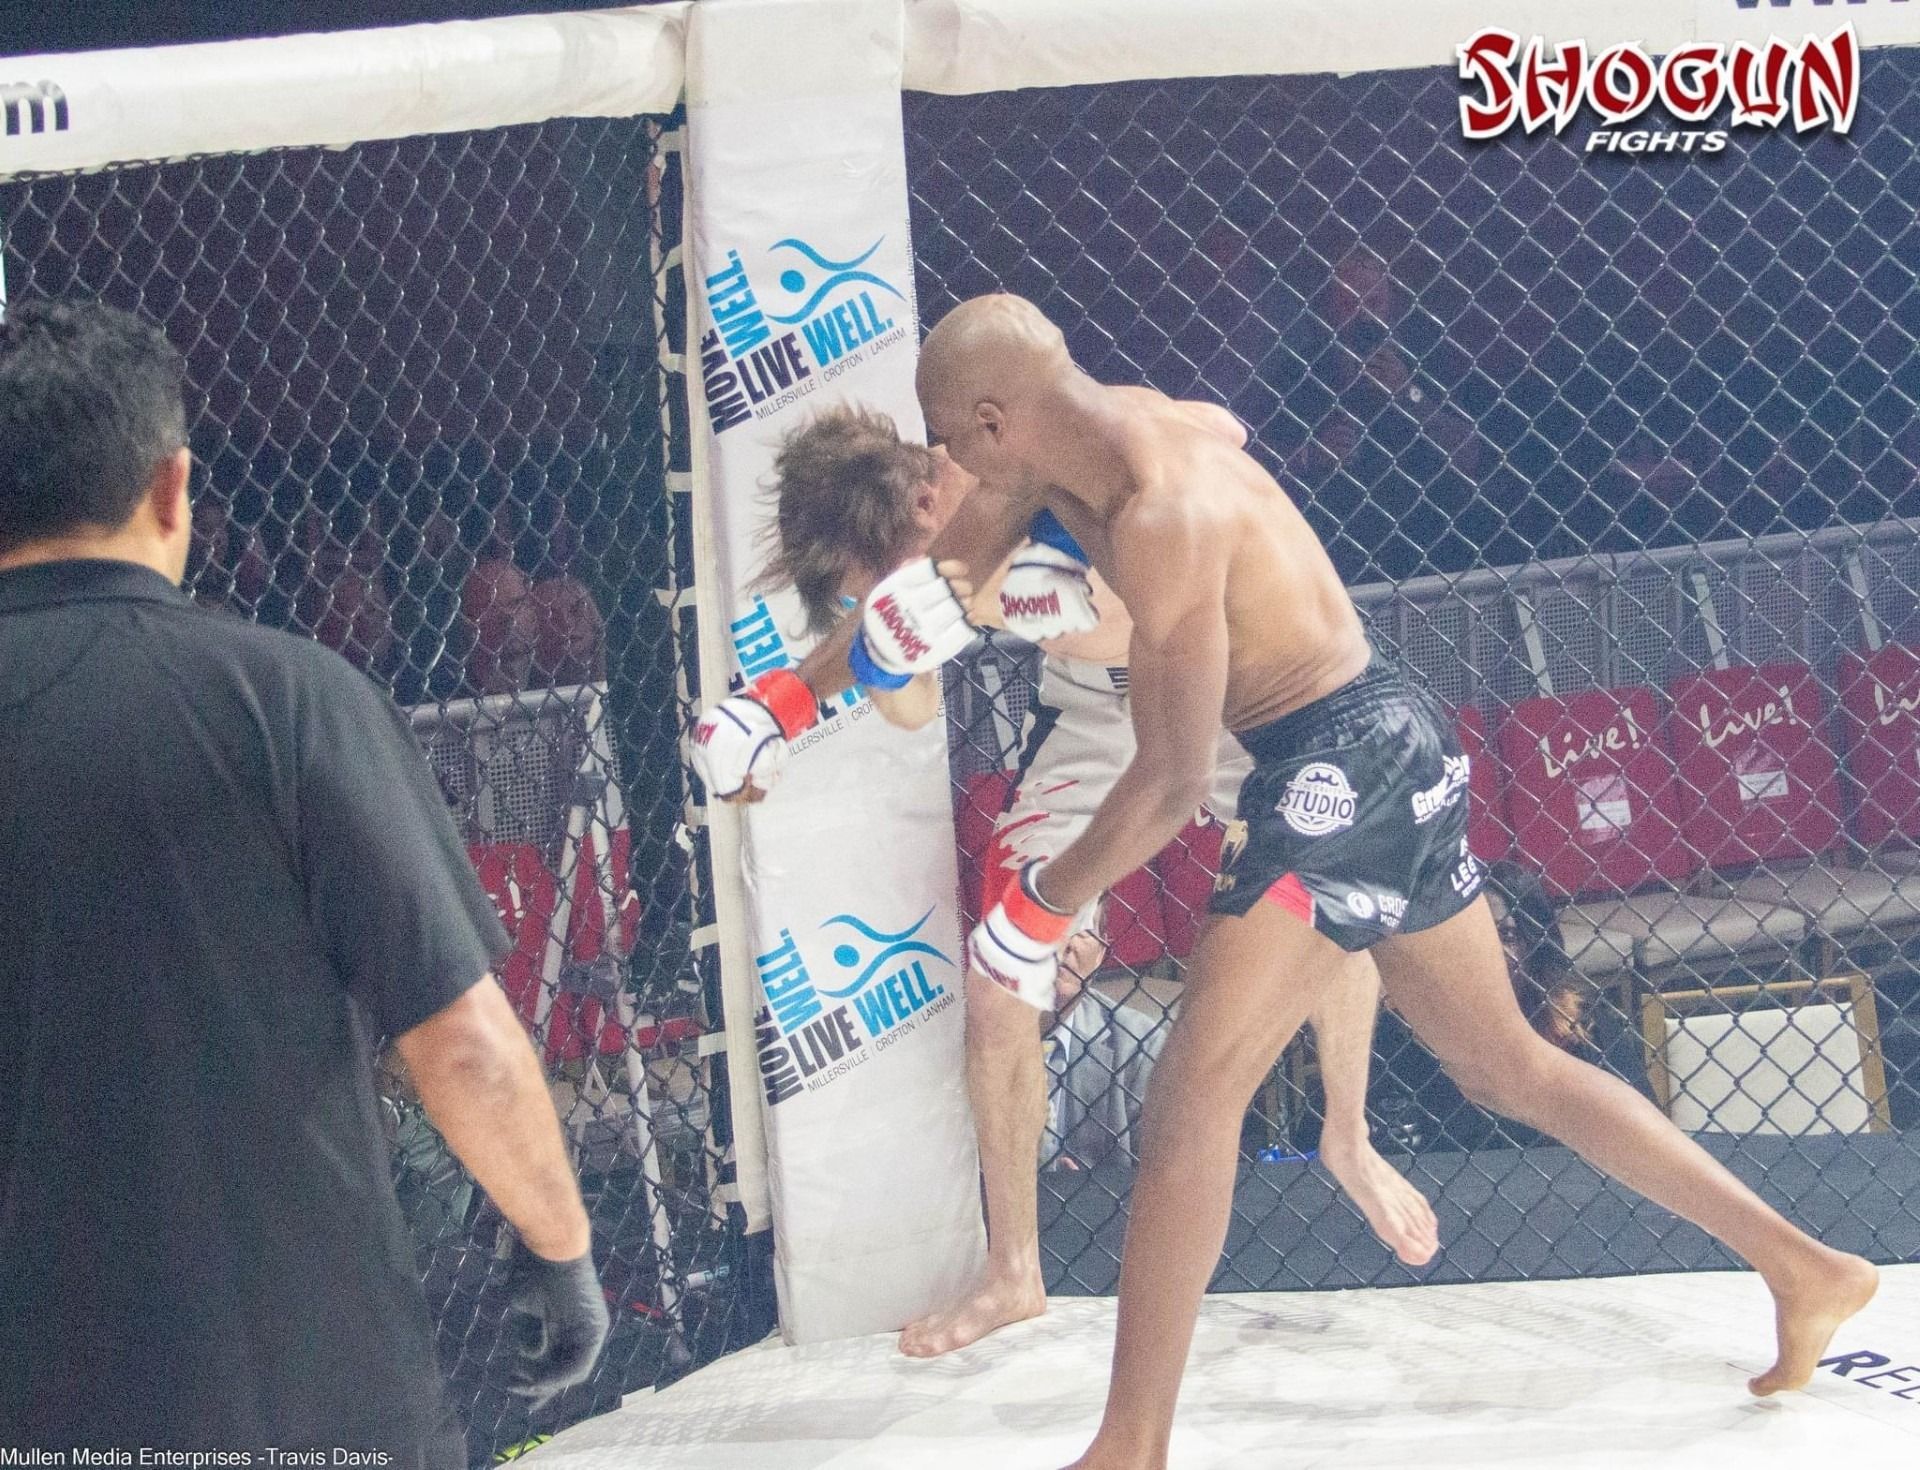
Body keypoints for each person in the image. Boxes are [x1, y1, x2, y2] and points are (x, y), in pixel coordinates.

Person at [858, 293, 1875, 1469]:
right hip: (1395, 741)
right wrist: (809, 681)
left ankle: (1127, 1450)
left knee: (1193, 1100)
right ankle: (1807, 1266)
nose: (940, 458)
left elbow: (1174, 776)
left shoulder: (1162, 514)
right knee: (1510, 1066)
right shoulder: (1107, 434)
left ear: (994, 422)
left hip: (1336, 771)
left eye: (944, 433)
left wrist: (1036, 909)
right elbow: (956, 564)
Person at [697, 404, 1437, 1359]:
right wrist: (842, 658)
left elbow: (1221, 426)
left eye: (883, 576)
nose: (897, 593)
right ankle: (1015, 1270)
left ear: (923, 500)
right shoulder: (923, 565)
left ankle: (1346, 1131)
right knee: (1000, 976)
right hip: (1094, 706)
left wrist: (1139, 469)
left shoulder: (1030, 462)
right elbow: (914, 704)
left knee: (1327, 885)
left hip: (1220, 677)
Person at [0, 300, 609, 1459]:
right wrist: (558, 1245)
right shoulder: (286, 700)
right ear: (175, 490)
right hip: (299, 1386)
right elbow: (461, 1038)